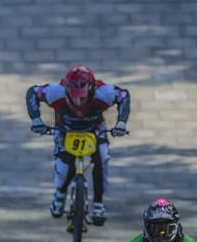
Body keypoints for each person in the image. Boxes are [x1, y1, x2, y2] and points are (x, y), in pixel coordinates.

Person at [25, 65, 130, 225]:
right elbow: (32, 92)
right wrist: (36, 120)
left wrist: (121, 122)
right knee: (62, 168)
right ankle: (60, 193)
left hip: (95, 130)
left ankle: (98, 203)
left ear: (92, 89)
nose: (78, 102)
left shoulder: (104, 93)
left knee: (102, 158)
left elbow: (123, 95)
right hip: (65, 130)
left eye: (82, 97)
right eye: (73, 97)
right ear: (66, 90)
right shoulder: (55, 92)